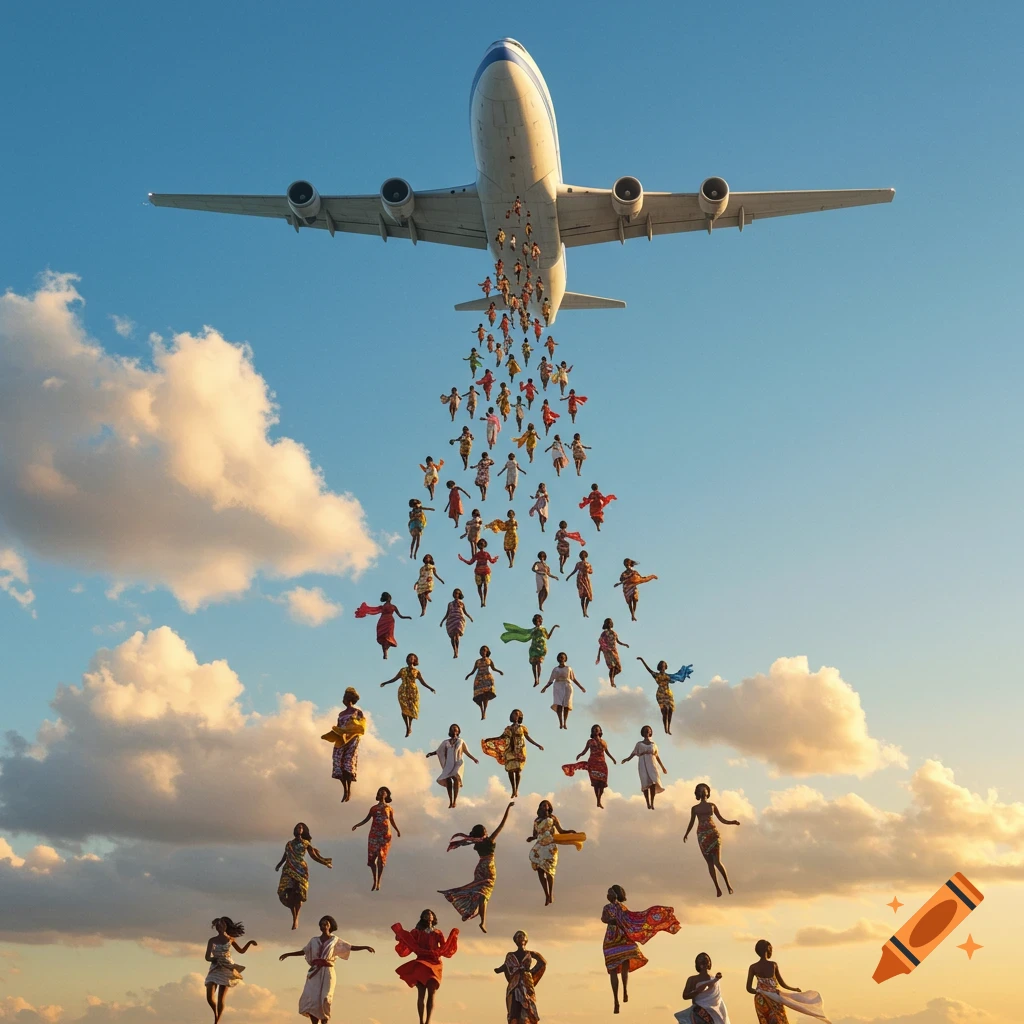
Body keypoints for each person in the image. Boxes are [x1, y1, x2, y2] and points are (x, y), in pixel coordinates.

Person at [278, 915, 374, 1024]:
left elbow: (349, 947)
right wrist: (288, 954)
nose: (324, 926)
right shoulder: (314, 940)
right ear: (320, 927)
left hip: (328, 972)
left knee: (325, 998)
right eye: (322, 924)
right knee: (313, 998)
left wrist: (365, 947)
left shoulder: (334, 940)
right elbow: (304, 951)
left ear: (330, 926)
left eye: (326, 924)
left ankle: (324, 1021)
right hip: (314, 972)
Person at [601, 886, 681, 1014]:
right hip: (615, 939)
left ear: (615, 895)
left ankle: (622, 993)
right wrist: (614, 918)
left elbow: (622, 919)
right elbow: (605, 919)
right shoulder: (612, 908)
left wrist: (617, 919)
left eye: (609, 893)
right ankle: (617, 998)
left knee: (620, 964)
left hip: (618, 938)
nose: (607, 895)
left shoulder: (619, 907)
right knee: (615, 969)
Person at [439, 802, 516, 933]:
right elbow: (501, 825)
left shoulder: (476, 842)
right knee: (483, 895)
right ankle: (481, 921)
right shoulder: (489, 840)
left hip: (480, 868)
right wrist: (508, 808)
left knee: (478, 892)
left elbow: (463, 841)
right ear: (483, 833)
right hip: (490, 869)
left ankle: (472, 914)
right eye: (485, 830)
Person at [392, 911, 460, 1024]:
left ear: (433, 917)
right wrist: (399, 936)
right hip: (422, 961)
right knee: (421, 993)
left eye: (430, 914)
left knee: (432, 992)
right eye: (426, 914)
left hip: (435, 963)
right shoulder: (416, 931)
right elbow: (407, 940)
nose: (429, 916)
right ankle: (421, 1022)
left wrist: (452, 939)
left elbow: (443, 946)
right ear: (423, 917)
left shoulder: (438, 932)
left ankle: (427, 1021)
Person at [746, 940, 830, 1023]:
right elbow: (782, 984)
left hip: (760, 999)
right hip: (774, 998)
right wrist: (793, 989)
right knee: (779, 1020)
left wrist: (760, 992)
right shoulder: (773, 965)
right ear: (767, 949)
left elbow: (749, 988)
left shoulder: (753, 967)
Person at [683, 784, 741, 897]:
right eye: (700, 790)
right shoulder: (694, 808)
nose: (703, 791)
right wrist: (686, 833)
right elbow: (691, 822)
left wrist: (732, 822)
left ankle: (728, 885)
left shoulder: (712, 805)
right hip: (702, 835)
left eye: (704, 789)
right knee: (709, 863)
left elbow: (721, 819)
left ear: (708, 792)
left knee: (717, 861)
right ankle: (717, 888)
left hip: (713, 834)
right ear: (698, 793)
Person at [526, 799, 586, 906]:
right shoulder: (537, 820)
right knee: (540, 870)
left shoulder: (552, 818)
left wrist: (570, 832)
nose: (545, 807)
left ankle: (551, 893)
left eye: (547, 805)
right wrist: (531, 838)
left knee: (549, 871)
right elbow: (535, 834)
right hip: (540, 846)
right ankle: (546, 894)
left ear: (549, 807)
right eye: (543, 805)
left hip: (550, 846)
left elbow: (561, 830)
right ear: (540, 807)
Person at [276, 823, 332, 930]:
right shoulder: (289, 844)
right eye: (297, 827)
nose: (299, 829)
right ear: (295, 830)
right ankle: (294, 916)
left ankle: (296, 918)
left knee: (299, 894)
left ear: (303, 831)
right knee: (284, 892)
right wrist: (279, 865)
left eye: (301, 828)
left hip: (300, 870)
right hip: (288, 869)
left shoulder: (305, 843)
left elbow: (313, 856)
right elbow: (285, 856)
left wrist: (325, 863)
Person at [204, 917, 257, 1024]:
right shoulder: (212, 940)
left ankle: (217, 1021)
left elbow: (241, 951)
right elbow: (207, 957)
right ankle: (215, 1013)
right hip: (215, 967)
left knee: (221, 997)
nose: (219, 927)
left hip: (227, 967)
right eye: (217, 926)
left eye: (221, 925)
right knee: (209, 996)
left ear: (226, 926)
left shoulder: (230, 939)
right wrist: (213, 959)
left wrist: (250, 942)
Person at [481, 709, 544, 798]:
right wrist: (490, 739)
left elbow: (528, 738)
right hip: (510, 750)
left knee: (517, 770)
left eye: (517, 715)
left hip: (519, 749)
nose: (515, 716)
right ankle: (513, 789)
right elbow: (501, 737)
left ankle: (516, 789)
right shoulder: (508, 728)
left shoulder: (522, 728)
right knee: (510, 770)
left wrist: (537, 745)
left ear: (519, 717)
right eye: (514, 714)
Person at [351, 787, 401, 891]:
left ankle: (379, 881)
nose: (382, 793)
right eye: (380, 791)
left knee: (381, 857)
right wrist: (357, 825)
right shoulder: (373, 808)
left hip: (385, 835)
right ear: (378, 794)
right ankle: (374, 879)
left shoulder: (389, 808)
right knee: (372, 858)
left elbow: (392, 820)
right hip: (374, 834)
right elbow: (367, 819)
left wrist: (397, 830)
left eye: (384, 792)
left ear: (387, 795)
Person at [321, 687, 365, 802]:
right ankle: (344, 789)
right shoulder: (341, 714)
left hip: (352, 739)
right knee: (337, 762)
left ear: (349, 699)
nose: (343, 700)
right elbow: (338, 727)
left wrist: (353, 728)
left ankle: (348, 790)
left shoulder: (357, 711)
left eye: (345, 698)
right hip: (341, 739)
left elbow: (362, 725)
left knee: (347, 763)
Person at [494, 930, 546, 1024]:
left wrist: (530, 972)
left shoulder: (530, 954)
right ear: (515, 940)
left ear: (526, 939)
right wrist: (499, 969)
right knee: (514, 1010)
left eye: (522, 936)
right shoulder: (510, 955)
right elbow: (506, 965)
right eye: (518, 936)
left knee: (527, 1007)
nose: (521, 937)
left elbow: (542, 962)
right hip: (514, 984)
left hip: (526, 984)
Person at [381, 652, 435, 737]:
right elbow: (395, 679)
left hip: (413, 691)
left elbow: (422, 682)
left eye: (412, 658)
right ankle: (407, 727)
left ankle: (410, 726)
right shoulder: (403, 670)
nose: (410, 659)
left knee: (412, 709)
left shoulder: (417, 671)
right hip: (403, 690)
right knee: (404, 709)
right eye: (409, 658)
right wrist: (385, 683)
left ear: (415, 660)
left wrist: (430, 688)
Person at [562, 724, 617, 808]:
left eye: (597, 729)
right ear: (592, 732)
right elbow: (585, 751)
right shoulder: (590, 741)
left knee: (602, 783)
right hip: (593, 763)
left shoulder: (604, 742)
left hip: (602, 764)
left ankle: (599, 799)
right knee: (596, 783)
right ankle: (598, 801)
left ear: (600, 731)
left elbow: (607, 752)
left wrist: (613, 759)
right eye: (594, 730)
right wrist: (580, 754)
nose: (595, 731)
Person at [428, 723, 479, 808]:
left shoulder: (461, 741)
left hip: (458, 762)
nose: (454, 729)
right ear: (450, 731)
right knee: (448, 779)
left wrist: (473, 759)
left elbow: (466, 752)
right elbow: (439, 751)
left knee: (456, 777)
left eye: (456, 728)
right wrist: (431, 754)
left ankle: (455, 801)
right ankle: (450, 801)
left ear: (458, 731)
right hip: (449, 763)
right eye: (452, 728)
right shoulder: (446, 742)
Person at [501, 614, 559, 687]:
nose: (537, 622)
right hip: (533, 648)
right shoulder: (533, 630)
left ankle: (538, 678)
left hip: (541, 648)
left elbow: (548, 637)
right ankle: (536, 679)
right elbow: (524, 633)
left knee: (539, 663)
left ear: (540, 621)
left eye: (538, 621)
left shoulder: (543, 629)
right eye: (535, 621)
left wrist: (553, 628)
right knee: (533, 664)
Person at [636, 658, 691, 733]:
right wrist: (642, 660)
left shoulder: (668, 676)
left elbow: (678, 676)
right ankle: (665, 728)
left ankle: (669, 728)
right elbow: (648, 669)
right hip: (660, 694)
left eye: (664, 666)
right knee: (665, 711)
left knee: (670, 710)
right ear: (659, 667)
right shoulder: (656, 675)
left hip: (668, 694)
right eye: (661, 666)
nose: (663, 667)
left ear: (665, 667)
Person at [675, 952, 732, 1024]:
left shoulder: (713, 978)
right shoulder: (693, 979)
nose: (703, 961)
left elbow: (717, 999)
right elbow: (685, 996)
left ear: (709, 962)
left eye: (705, 959)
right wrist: (697, 991)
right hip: (698, 1010)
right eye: (700, 959)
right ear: (697, 964)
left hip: (713, 1011)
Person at [621, 725, 668, 809]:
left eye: (648, 730)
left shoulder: (653, 744)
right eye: (645, 731)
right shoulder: (639, 744)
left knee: (653, 781)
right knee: (645, 782)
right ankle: (648, 803)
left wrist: (663, 767)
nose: (647, 732)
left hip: (652, 763)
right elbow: (634, 753)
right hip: (642, 763)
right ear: (642, 733)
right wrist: (627, 759)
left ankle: (652, 802)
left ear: (650, 732)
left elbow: (657, 756)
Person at [355, 593, 410, 660]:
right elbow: (373, 610)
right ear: (387, 598)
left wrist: (407, 617)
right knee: (384, 637)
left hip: (389, 621)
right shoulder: (382, 607)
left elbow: (400, 616)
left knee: (388, 636)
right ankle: (385, 652)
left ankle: (386, 651)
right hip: (383, 621)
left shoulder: (393, 606)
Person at [539, 651, 586, 729]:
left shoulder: (568, 668)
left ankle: (565, 722)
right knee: (559, 704)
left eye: (562, 657)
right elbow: (551, 680)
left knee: (566, 705)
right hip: (558, 686)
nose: (561, 658)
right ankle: (560, 722)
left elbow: (573, 678)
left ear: (565, 659)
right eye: (560, 657)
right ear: (558, 659)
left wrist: (581, 687)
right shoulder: (555, 669)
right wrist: (545, 687)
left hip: (567, 686)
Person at [459, 538, 500, 607]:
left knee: (485, 585)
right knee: (480, 586)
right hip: (479, 571)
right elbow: (470, 562)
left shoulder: (486, 554)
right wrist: (462, 559)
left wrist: (495, 559)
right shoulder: (477, 554)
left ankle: (484, 600)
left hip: (485, 570)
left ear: (484, 545)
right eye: (480, 543)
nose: (481, 545)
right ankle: (482, 600)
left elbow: (491, 561)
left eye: (482, 543)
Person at [466, 644, 503, 719]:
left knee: (485, 695)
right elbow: (473, 671)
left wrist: (499, 671)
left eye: (484, 651)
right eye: (482, 651)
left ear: (487, 652)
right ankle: (481, 710)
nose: (483, 652)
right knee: (478, 696)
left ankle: (484, 712)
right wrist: (468, 675)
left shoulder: (489, 660)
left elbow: (493, 668)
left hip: (487, 678)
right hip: (479, 679)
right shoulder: (478, 661)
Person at [440, 588, 473, 658]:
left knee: (457, 635)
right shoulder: (450, 604)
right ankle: (454, 650)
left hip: (459, 619)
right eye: (455, 593)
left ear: (459, 594)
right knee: (452, 637)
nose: (456, 594)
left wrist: (470, 617)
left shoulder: (462, 603)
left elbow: (465, 612)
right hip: (451, 619)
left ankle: (457, 650)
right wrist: (442, 621)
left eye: (457, 593)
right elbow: (447, 613)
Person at [596, 617, 628, 686]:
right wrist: (599, 655)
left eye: (610, 623)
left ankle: (612, 677)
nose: (609, 624)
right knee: (612, 666)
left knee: (619, 669)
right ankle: (612, 681)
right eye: (608, 623)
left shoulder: (614, 633)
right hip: (607, 651)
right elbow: (601, 643)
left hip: (614, 651)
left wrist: (624, 644)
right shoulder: (603, 634)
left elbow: (618, 641)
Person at [566, 550, 594, 617]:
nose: (582, 557)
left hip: (586, 579)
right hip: (580, 579)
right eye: (581, 556)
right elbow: (575, 570)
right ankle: (583, 611)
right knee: (583, 595)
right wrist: (569, 576)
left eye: (583, 555)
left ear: (585, 556)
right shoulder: (578, 564)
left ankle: (586, 610)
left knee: (589, 595)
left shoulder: (588, 564)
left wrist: (587, 570)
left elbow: (591, 571)